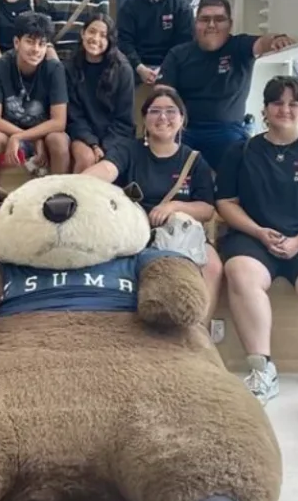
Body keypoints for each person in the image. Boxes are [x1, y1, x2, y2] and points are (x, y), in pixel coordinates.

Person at [215, 75, 298, 405]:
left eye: (294, 104)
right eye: (277, 102)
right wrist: (259, 232)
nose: (285, 109)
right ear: (265, 109)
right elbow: (226, 204)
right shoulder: (242, 150)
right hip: (252, 237)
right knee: (242, 275)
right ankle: (262, 369)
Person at [83, 85, 222, 325]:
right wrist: (77, 184)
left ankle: (197, 333)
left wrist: (174, 207)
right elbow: (107, 169)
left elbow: (207, 209)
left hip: (180, 233)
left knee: (214, 267)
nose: (163, 118)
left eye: (171, 111)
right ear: (145, 118)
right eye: (155, 111)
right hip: (135, 232)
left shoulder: (194, 160)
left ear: (182, 118)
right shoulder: (129, 149)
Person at [159, 0, 295, 173]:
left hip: (228, 133)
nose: (211, 25)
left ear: (230, 24)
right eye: (205, 19)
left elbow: (262, 43)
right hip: (185, 130)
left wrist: (276, 40)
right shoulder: (178, 54)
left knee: (245, 166)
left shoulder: (239, 46)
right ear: (196, 23)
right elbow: (161, 95)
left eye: (219, 19)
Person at [0, 11, 71, 182]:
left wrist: (24, 136)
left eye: (41, 44)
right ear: (16, 42)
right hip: (8, 131)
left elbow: (59, 122)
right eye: (29, 42)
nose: (36, 49)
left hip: (44, 134)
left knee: (59, 140)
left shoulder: (55, 69)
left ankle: (60, 199)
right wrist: (24, 136)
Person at [66, 15, 135, 173]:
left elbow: (124, 120)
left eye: (103, 35)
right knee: (86, 158)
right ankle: (75, 197)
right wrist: (93, 143)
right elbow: (74, 115)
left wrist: (104, 146)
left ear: (110, 40)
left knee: (106, 164)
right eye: (92, 32)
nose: (95, 38)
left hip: (115, 136)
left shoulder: (123, 69)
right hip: (82, 134)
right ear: (83, 33)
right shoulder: (70, 67)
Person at [117, 0, 194, 86]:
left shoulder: (182, 8)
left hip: (171, 67)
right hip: (136, 68)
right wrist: (140, 68)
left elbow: (184, 45)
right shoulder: (130, 6)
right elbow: (124, 42)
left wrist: (164, 68)